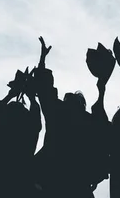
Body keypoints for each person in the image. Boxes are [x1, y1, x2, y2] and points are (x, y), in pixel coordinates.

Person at [33, 39, 112, 198]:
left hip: (54, 182)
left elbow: (43, 88)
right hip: (75, 185)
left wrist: (42, 59)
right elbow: (106, 134)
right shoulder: (85, 120)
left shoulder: (59, 112)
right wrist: (102, 87)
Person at [0, 67, 42, 198]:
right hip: (19, 190)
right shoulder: (26, 136)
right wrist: (32, 98)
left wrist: (10, 95)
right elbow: (36, 122)